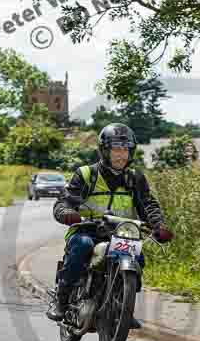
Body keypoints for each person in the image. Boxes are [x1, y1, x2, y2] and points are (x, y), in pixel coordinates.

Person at [46, 123, 174, 323]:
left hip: (121, 233)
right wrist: (67, 212)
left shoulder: (135, 179)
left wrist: (159, 226)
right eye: (116, 149)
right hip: (88, 230)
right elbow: (64, 201)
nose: (121, 155)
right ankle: (61, 300)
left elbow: (148, 206)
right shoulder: (87, 174)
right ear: (104, 150)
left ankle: (123, 307)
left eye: (125, 149)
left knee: (137, 258)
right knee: (82, 246)